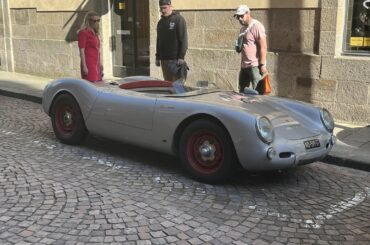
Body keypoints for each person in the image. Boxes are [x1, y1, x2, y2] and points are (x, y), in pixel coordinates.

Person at [234, 5, 268, 93]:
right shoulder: (242, 29)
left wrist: (262, 65)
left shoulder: (257, 26)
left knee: (258, 92)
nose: (240, 19)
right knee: (242, 91)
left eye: (241, 16)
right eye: (238, 17)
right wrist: (238, 46)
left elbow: (263, 47)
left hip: (255, 66)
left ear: (248, 13)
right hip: (244, 66)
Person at [155, 0, 188, 82]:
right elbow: (158, 40)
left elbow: (183, 39)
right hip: (164, 59)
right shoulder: (160, 23)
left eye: (164, 8)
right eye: (161, 8)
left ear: (170, 6)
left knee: (176, 86)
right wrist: (157, 57)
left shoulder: (178, 19)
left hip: (175, 60)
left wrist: (181, 56)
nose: (163, 10)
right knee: (167, 84)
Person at [78, 11, 102, 82]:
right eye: (95, 21)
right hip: (89, 63)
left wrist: (100, 63)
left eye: (98, 20)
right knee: (91, 84)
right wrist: (84, 66)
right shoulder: (83, 32)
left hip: (96, 62)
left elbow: (97, 50)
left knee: (98, 83)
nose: (97, 22)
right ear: (89, 21)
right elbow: (81, 50)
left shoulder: (95, 33)